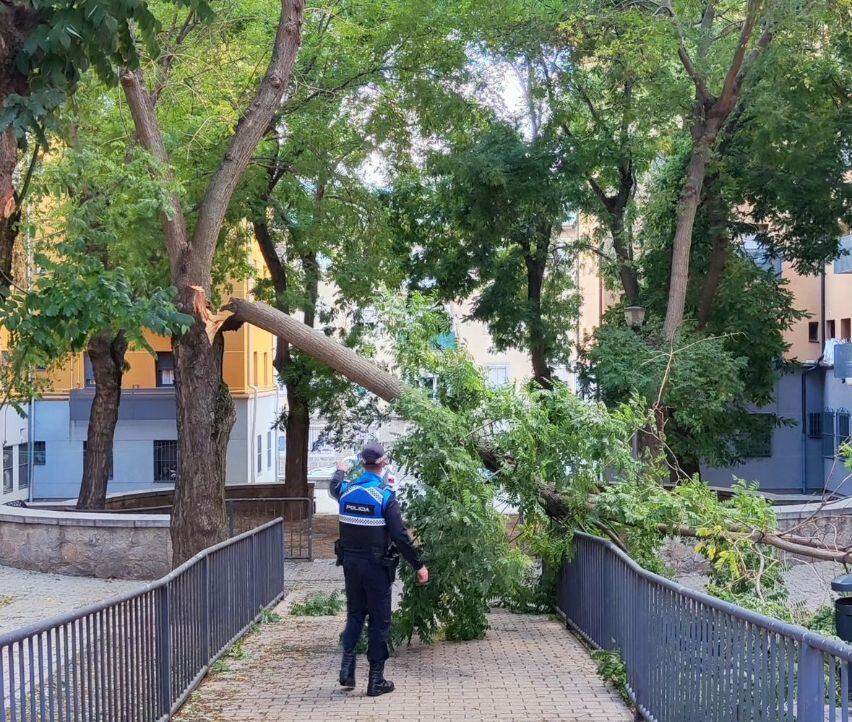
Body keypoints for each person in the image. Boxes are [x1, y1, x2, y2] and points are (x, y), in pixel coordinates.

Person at [330, 442, 428, 696]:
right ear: (383, 464)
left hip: (350, 565)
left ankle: (347, 669)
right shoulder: (384, 497)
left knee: (354, 614)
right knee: (379, 622)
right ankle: (375, 681)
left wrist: (341, 469)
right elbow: (400, 536)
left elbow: (333, 486)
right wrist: (419, 565)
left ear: (362, 463)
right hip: (377, 568)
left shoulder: (346, 491)